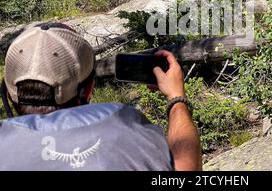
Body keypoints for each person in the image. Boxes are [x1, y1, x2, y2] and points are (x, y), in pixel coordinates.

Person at [0, 22, 202, 171]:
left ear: (9, 94)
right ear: (88, 89)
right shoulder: (125, 128)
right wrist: (176, 99)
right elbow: (185, 168)